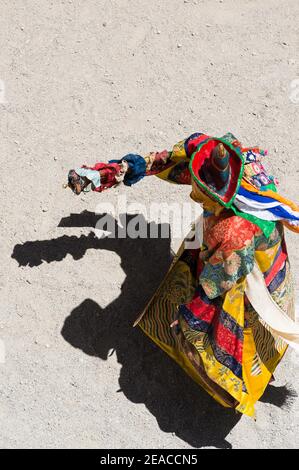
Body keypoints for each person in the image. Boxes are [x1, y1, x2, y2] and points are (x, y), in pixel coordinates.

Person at [65, 131, 299, 417]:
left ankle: (236, 386)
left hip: (245, 266)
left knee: (224, 326)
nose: (191, 192)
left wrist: (188, 318)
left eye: (198, 190)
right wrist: (108, 174)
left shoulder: (232, 232)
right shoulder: (215, 153)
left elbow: (215, 286)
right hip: (232, 248)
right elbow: (165, 162)